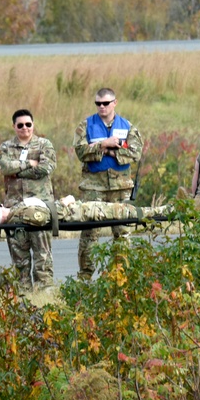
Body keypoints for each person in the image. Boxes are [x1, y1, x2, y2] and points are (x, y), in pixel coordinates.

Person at [73, 87, 143, 280]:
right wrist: (103, 144)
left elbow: (135, 153)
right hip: (93, 188)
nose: (102, 107)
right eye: (98, 104)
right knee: (90, 234)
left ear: (114, 103)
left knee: (122, 233)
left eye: (105, 103)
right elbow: (80, 151)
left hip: (121, 188)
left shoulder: (127, 126)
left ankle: (120, 276)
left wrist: (112, 151)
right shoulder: (85, 125)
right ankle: (85, 276)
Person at [0, 109, 56, 290]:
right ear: (14, 126)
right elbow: (3, 167)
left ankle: (45, 292)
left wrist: (17, 172)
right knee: (19, 257)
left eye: (28, 124)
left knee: (42, 255)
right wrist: (29, 163)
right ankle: (23, 294)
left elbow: (46, 168)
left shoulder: (44, 144)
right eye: (20, 125)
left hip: (40, 209)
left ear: (33, 125)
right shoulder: (6, 147)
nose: (25, 128)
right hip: (14, 209)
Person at [0, 197, 167, 227]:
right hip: (78, 212)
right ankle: (164, 211)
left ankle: (161, 211)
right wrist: (64, 202)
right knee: (126, 211)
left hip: (78, 210)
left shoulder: (17, 213)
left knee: (125, 210)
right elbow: (46, 216)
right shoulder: (19, 215)